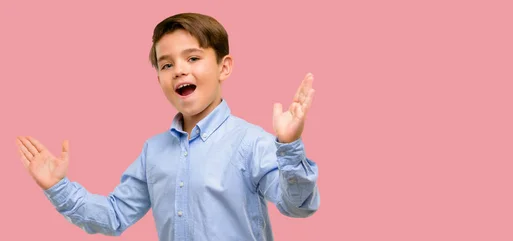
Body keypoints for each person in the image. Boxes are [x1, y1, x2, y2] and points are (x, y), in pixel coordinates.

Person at [15, 12, 320, 241]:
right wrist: (58, 187)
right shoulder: (154, 151)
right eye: (167, 64)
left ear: (223, 67)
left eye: (193, 57)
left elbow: (297, 207)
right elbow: (114, 215)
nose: (179, 70)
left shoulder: (252, 142)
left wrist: (290, 146)